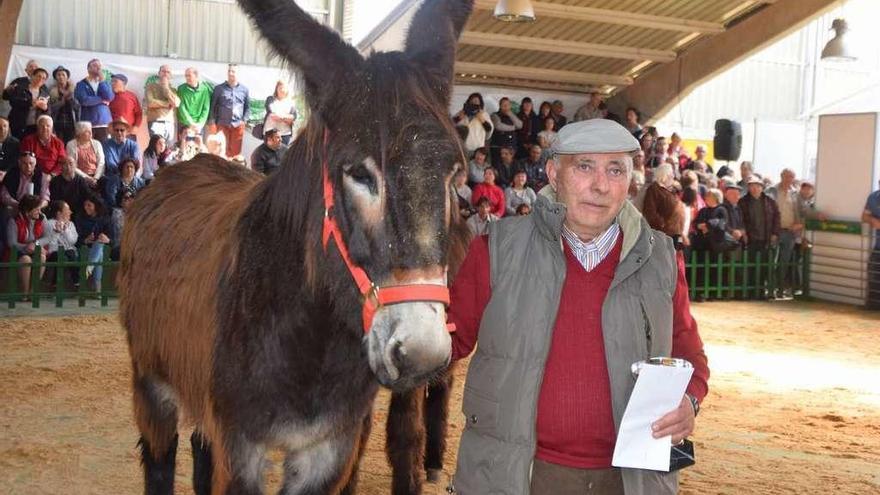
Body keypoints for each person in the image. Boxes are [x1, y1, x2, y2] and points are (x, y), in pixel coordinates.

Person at [448, 119, 708, 495]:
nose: (600, 185)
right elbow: (447, 342)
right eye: (584, 166)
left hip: (628, 480)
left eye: (615, 169)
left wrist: (689, 401)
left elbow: (689, 355)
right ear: (554, 174)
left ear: (630, 180)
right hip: (519, 476)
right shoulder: (495, 250)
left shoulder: (661, 258)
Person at [738, 176, 780, 299]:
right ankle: (750, 291)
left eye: (757, 186)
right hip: (750, 239)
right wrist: (743, 232)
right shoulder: (743, 202)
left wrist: (775, 233)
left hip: (765, 238)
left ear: (762, 187)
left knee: (763, 266)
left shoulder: (770, 202)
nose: (754, 188)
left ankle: (761, 291)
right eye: (751, 186)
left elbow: (777, 218)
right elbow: (740, 219)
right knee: (750, 266)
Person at [4, 194, 50, 299]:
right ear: (27, 210)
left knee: (42, 257)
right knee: (26, 259)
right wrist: (27, 247)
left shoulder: (42, 218)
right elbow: (12, 243)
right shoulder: (14, 221)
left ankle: (33, 291)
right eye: (36, 209)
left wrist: (36, 245)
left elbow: (48, 237)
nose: (39, 211)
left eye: (39, 208)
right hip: (18, 251)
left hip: (34, 249)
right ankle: (24, 292)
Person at [767, 168, 803, 298]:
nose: (789, 179)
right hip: (775, 231)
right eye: (786, 176)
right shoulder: (772, 190)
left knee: (784, 263)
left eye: (791, 177)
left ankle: (780, 290)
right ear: (781, 176)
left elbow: (802, 211)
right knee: (772, 261)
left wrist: (800, 224)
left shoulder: (796, 194)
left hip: (790, 233)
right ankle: (770, 290)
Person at [209, 64, 250, 158]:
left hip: (238, 126)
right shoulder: (219, 89)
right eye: (229, 71)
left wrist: (244, 121)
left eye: (233, 71)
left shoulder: (244, 90)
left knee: (235, 153)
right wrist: (212, 122)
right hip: (222, 125)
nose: (230, 73)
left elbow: (247, 108)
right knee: (221, 151)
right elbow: (213, 106)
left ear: (238, 74)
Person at [75, 194, 112, 292]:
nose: (86, 207)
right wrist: (85, 240)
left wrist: (107, 239)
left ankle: (88, 269)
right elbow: (75, 239)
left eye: (89, 205)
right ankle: (97, 287)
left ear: (96, 206)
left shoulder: (105, 218)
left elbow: (112, 239)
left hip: (100, 249)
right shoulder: (80, 218)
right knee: (99, 253)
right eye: (85, 205)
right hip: (84, 249)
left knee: (99, 245)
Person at [2, 66, 50, 139]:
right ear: (33, 76)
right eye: (39, 76)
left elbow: (49, 112)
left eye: (43, 78)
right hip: (17, 123)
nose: (40, 79)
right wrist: (31, 103)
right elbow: (13, 102)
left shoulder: (45, 93)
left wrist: (46, 108)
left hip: (34, 126)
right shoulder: (21, 88)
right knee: (15, 145)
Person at [74, 59, 114, 141]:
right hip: (88, 123)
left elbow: (109, 97)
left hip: (104, 123)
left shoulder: (105, 83)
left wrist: (102, 80)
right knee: (87, 148)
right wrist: (102, 100)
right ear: (88, 69)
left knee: (103, 150)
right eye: (95, 66)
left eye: (100, 66)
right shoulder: (81, 84)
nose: (98, 68)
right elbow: (84, 100)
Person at [44, 199, 79, 288]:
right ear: (59, 213)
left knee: (70, 253)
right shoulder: (49, 224)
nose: (70, 212)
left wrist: (65, 230)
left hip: (68, 252)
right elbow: (52, 244)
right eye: (68, 210)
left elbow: (73, 241)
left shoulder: (71, 224)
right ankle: (55, 284)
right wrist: (59, 230)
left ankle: (77, 282)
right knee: (62, 255)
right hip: (53, 252)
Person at [144, 65, 181, 147]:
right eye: (163, 71)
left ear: (170, 76)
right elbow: (151, 103)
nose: (165, 74)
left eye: (168, 72)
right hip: (155, 121)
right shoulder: (150, 86)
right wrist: (167, 104)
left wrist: (166, 87)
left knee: (168, 151)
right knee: (156, 147)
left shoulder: (173, 90)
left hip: (169, 122)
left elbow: (176, 103)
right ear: (159, 73)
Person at [65, 121, 105, 185]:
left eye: (91, 130)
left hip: (97, 176)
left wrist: (96, 178)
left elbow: (101, 162)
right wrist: (87, 178)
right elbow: (72, 165)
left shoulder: (97, 143)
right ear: (80, 133)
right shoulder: (71, 144)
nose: (91, 133)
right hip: (80, 176)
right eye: (87, 131)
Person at [176, 67, 212, 137]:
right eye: (186, 76)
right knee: (183, 146)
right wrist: (191, 123)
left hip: (199, 125)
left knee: (197, 146)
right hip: (184, 123)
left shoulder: (204, 89)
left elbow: (206, 108)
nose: (187, 78)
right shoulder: (181, 89)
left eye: (189, 75)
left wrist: (200, 124)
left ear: (196, 76)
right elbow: (181, 107)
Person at [48, 66, 80, 143]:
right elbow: (50, 108)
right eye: (58, 75)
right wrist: (61, 102)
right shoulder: (51, 91)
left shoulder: (74, 90)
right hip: (56, 123)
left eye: (63, 74)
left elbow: (77, 107)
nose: (61, 77)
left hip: (71, 123)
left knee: (70, 144)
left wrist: (70, 99)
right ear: (55, 78)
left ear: (67, 77)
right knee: (57, 144)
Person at [108, 73, 143, 141]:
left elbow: (138, 113)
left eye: (115, 81)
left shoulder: (131, 96)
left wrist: (136, 127)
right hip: (115, 133)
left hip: (129, 133)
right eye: (111, 81)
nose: (112, 83)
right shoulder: (109, 97)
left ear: (123, 83)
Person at [489, 97, 522, 166]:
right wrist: (513, 128)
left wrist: (510, 114)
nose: (506, 107)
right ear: (500, 106)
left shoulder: (512, 115)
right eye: (504, 105)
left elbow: (520, 125)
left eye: (507, 105)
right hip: (499, 148)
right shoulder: (494, 115)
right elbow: (498, 126)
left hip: (511, 148)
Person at [863, 180, 880, 310]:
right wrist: (873, 219)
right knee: (873, 270)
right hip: (878, 245)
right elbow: (864, 216)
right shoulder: (873, 197)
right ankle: (873, 305)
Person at [263, 80, 296, 145]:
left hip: (285, 134)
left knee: (282, 154)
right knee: (268, 154)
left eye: (284, 88)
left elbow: (293, 117)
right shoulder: (270, 99)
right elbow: (274, 115)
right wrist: (286, 117)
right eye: (280, 88)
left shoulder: (291, 102)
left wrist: (282, 117)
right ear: (276, 89)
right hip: (270, 133)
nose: (282, 90)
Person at [109, 189, 136, 260]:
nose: (130, 199)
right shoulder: (116, 213)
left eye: (132, 196)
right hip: (119, 246)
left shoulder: (137, 214)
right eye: (126, 198)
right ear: (120, 202)